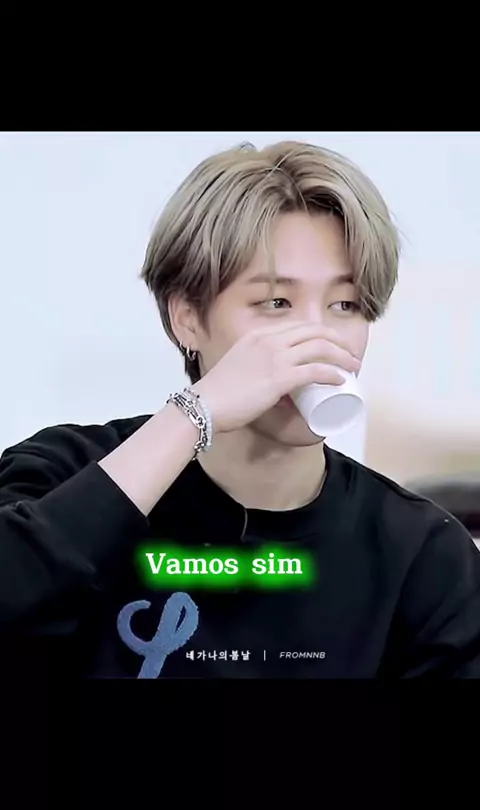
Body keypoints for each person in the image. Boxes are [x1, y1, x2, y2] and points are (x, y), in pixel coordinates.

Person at [1, 140, 479, 679]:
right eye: (276, 303)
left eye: (344, 304)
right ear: (187, 317)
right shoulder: (62, 473)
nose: (316, 338)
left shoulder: (420, 556)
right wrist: (195, 413)